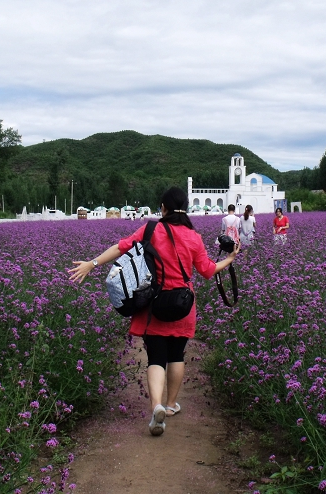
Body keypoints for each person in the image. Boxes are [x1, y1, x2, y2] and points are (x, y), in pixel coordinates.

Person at [68, 187, 240, 437]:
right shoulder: (194, 237)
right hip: (183, 304)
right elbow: (207, 270)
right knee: (177, 355)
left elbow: (120, 248)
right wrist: (230, 259)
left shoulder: (151, 229)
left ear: (163, 208)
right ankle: (170, 405)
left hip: (154, 304)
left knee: (156, 358)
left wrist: (91, 264)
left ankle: (156, 406)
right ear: (186, 208)